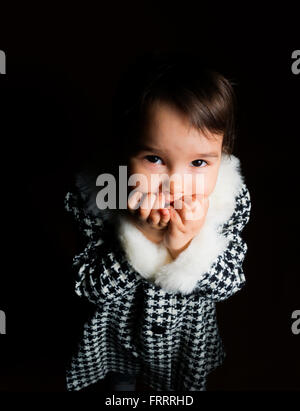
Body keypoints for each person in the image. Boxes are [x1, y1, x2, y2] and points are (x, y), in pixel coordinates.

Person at [64, 51, 251, 391]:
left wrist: (187, 247)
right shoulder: (98, 198)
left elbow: (230, 283)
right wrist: (143, 237)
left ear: (223, 152)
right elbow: (88, 287)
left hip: (183, 345)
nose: (175, 183)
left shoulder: (227, 201)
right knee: (120, 387)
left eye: (199, 163)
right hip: (116, 342)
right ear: (122, 149)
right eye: (154, 158)